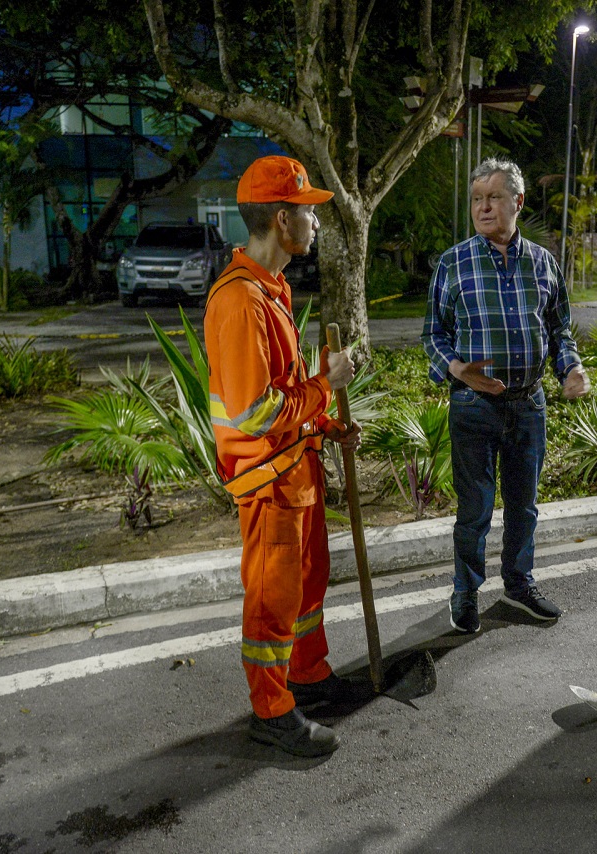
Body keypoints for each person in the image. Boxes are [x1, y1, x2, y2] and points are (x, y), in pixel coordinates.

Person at [205, 155, 362, 758]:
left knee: (305, 587)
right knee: (271, 602)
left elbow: (283, 394)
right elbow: (256, 413)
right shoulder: (242, 301)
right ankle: (271, 711)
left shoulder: (271, 291)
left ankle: (307, 675)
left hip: (297, 473)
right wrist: (329, 384)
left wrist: (324, 423)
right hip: (269, 485)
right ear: (280, 218)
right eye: (307, 210)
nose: (315, 221)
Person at [423, 157, 590, 635]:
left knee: (524, 505)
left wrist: (571, 367)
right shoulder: (453, 263)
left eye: (493, 197)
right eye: (477, 199)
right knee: (474, 508)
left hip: (528, 403)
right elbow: (433, 335)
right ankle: (465, 592)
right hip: (473, 405)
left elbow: (560, 331)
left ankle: (518, 584)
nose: (483, 207)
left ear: (517, 201)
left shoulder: (543, 262)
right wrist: (457, 369)